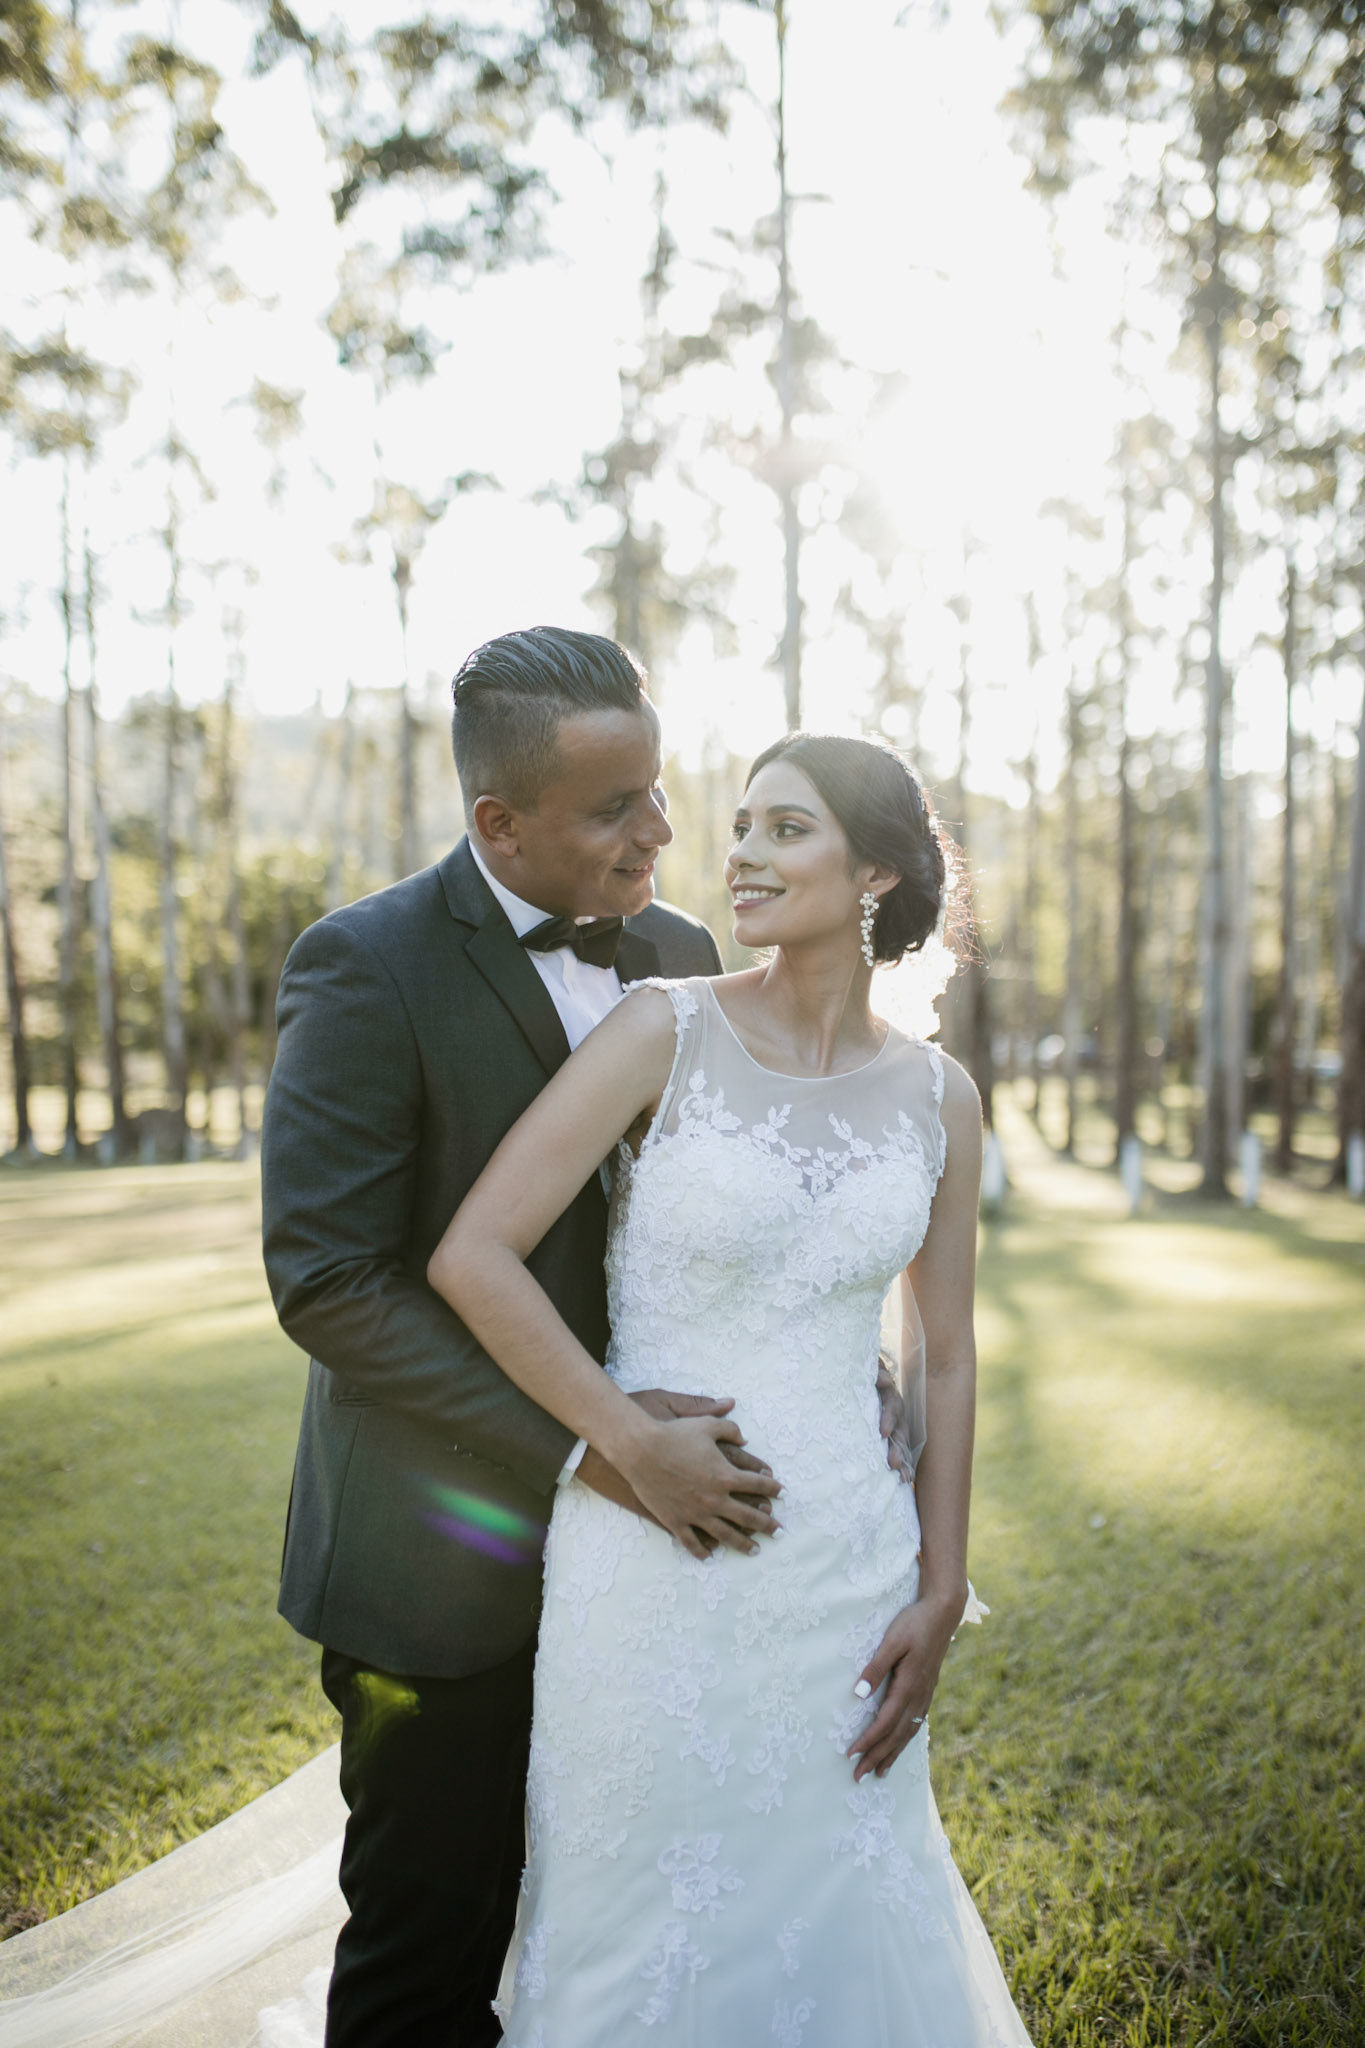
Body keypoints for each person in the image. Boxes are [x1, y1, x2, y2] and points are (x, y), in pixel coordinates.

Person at [260, 630, 909, 2048]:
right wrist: (594, 1444)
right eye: (616, 808)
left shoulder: (680, 956)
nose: (663, 832)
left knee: (628, 1924)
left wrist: (825, 1350)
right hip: (439, 1564)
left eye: (660, 792)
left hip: (661, 1569)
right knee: (428, 1959)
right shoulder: (362, 967)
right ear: (499, 823)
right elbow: (329, 1283)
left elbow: (708, 1215)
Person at [425, 731, 1036, 2047]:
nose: (742, 853)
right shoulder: (667, 1029)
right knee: (641, 1924)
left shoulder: (940, 1098)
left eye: (786, 828)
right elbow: (473, 1256)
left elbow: (943, 1349)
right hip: (652, 1556)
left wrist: (940, 1583)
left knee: (842, 1902)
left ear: (875, 870)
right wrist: (624, 1442)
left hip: (850, 1571)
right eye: (743, 824)